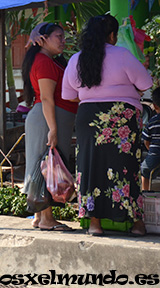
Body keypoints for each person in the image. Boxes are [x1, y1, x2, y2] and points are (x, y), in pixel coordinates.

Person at [62, 14, 152, 237]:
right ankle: (137, 223)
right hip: (122, 116)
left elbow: (69, 95)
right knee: (126, 167)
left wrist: (93, 97)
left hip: (88, 117)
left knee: (90, 167)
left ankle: (94, 224)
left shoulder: (76, 60)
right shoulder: (121, 54)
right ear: (112, 35)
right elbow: (146, 83)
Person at [21, 22, 78, 231]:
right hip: (47, 118)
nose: (63, 41)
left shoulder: (49, 61)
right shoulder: (43, 61)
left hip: (51, 118)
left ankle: (39, 216)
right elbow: (46, 98)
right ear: (43, 39)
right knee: (45, 165)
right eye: (58, 36)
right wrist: (53, 129)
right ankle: (46, 219)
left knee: (44, 164)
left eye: (63, 37)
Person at [141, 87, 160, 191]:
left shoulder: (152, 121)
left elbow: (146, 141)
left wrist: (151, 150)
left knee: (144, 170)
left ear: (155, 106)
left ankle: (146, 192)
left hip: (155, 155)